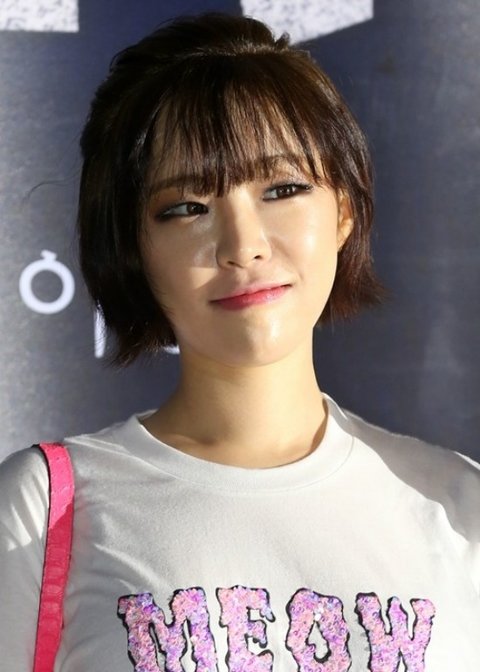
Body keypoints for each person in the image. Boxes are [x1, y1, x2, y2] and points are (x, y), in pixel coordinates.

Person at [1, 12, 479, 672]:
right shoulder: (44, 508)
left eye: (282, 189)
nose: (243, 245)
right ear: (134, 248)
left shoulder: (457, 506)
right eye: (186, 208)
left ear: (343, 211)